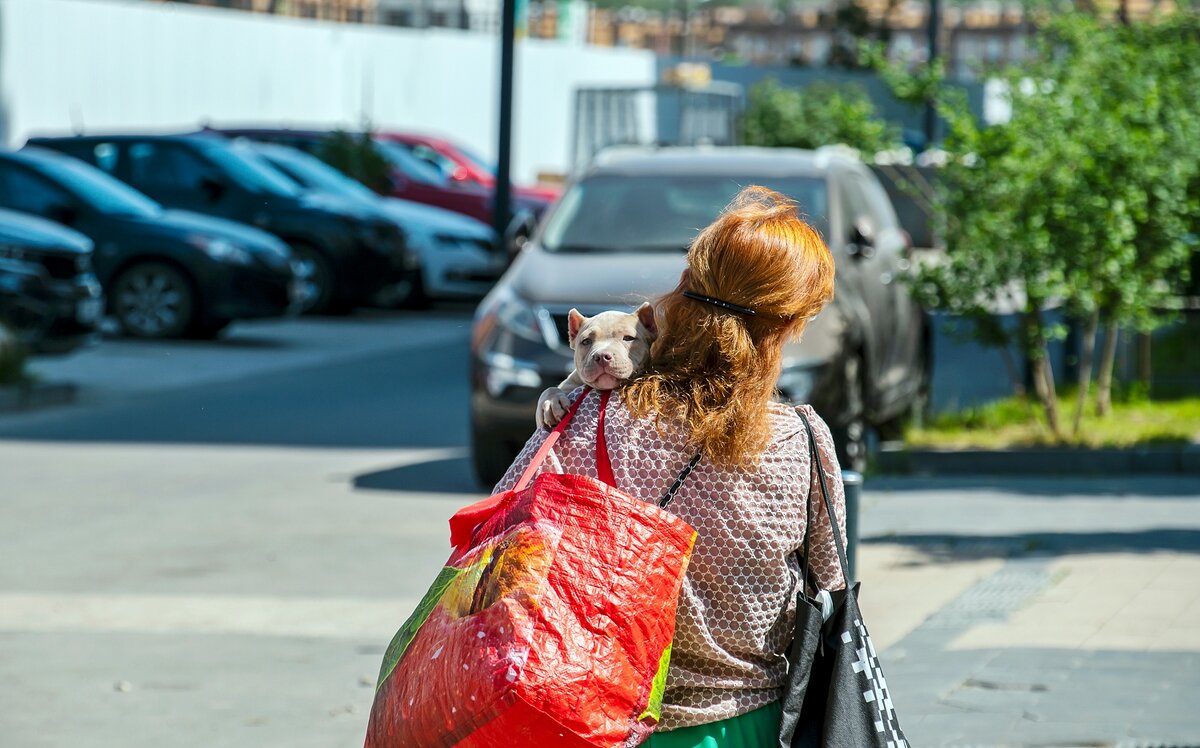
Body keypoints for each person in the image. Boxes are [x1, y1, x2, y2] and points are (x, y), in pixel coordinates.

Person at [493, 185, 847, 747]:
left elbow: (500, 544)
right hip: (746, 723)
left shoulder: (587, 417)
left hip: (594, 722)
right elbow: (830, 590)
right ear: (784, 329)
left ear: (684, 289)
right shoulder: (801, 440)